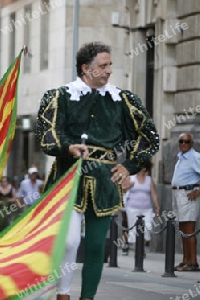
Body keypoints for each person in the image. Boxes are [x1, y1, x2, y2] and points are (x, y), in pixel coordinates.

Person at [35, 41, 159, 300]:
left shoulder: (122, 100)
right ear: (86, 69)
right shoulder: (60, 96)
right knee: (69, 241)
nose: (108, 70)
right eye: (103, 66)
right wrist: (68, 148)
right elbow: (45, 138)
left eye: (109, 65)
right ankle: (63, 294)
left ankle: (87, 297)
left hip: (105, 180)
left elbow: (150, 136)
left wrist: (129, 166)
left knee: (94, 246)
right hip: (69, 177)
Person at [171, 132, 200, 272]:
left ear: (192, 143)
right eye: (181, 141)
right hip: (178, 193)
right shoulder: (181, 157)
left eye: (187, 141)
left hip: (188, 194)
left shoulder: (195, 157)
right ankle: (185, 260)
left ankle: (193, 262)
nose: (184, 144)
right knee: (182, 228)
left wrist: (198, 190)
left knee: (189, 228)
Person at [124, 160, 160, 257]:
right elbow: (122, 189)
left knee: (147, 228)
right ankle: (138, 251)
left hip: (146, 209)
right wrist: (128, 186)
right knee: (133, 230)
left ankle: (141, 248)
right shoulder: (131, 178)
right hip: (132, 208)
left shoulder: (149, 180)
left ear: (145, 168)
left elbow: (154, 194)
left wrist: (157, 207)